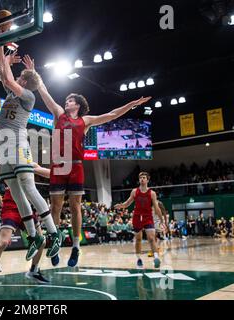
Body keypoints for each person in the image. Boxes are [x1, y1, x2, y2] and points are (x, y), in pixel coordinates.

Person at [24, 55, 151, 267]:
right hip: (58, 164)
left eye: (71, 100)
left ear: (79, 105)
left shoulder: (86, 121)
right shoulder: (58, 113)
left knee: (75, 207)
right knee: (55, 207)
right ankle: (55, 241)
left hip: (75, 165)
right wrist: (34, 72)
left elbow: (111, 114)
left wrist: (132, 104)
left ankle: (75, 246)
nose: (67, 101)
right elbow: (43, 91)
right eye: (66, 99)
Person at [0, 47, 61, 262]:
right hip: (4, 148)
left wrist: (1, 46)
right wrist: (2, 55)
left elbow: (6, 75)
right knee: (16, 192)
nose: (17, 77)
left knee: (29, 188)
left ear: (23, 82)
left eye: (20, 76)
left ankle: (53, 232)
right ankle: (33, 236)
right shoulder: (14, 92)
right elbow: (2, 73)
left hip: (18, 145)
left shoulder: (29, 96)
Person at [0, 157, 51, 295]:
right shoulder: (5, 164)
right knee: (3, 242)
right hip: (11, 206)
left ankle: (34, 270)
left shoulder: (28, 163)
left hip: (27, 207)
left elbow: (51, 174)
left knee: (42, 240)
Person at [115, 172, 168, 269]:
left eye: (144, 178)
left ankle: (156, 257)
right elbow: (127, 203)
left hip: (148, 217)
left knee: (151, 238)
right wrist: (121, 205)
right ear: (139, 180)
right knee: (138, 239)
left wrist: (161, 220)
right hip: (137, 217)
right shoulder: (134, 191)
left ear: (147, 180)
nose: (142, 179)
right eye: (140, 178)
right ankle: (139, 259)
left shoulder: (152, 193)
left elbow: (156, 208)